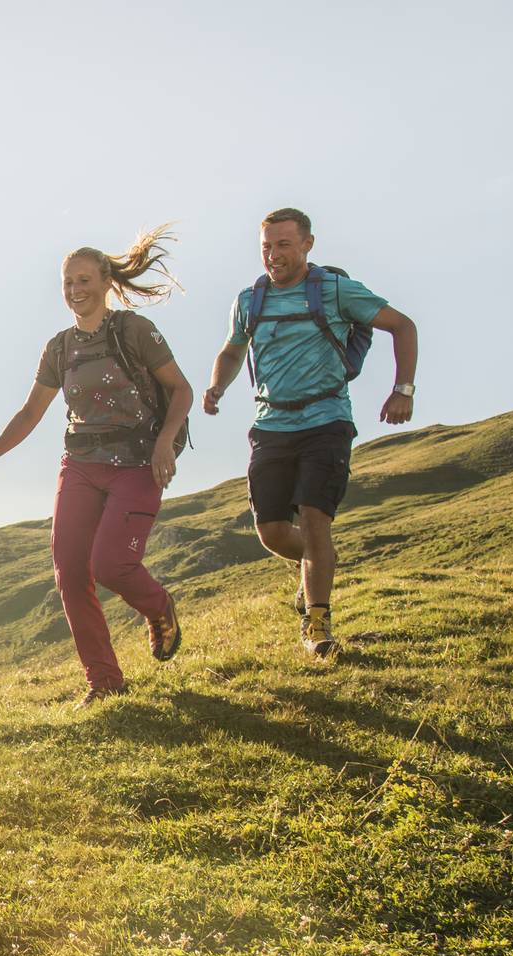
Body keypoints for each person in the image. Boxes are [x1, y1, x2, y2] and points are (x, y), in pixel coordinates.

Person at [0, 228, 193, 707]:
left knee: (111, 565)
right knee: (70, 573)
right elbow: (32, 411)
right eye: (68, 282)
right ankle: (104, 681)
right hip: (80, 464)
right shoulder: (58, 348)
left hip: (138, 463)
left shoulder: (134, 331)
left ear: (106, 281)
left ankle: (159, 607)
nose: (75, 290)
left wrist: (165, 445)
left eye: (84, 279)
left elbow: (181, 390)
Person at [201, 207, 419, 658]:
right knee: (272, 532)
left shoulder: (335, 291)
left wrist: (403, 390)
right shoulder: (249, 301)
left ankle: (317, 623)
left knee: (316, 519)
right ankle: (316, 567)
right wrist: (216, 386)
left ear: (307, 244)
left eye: (283, 244)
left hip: (326, 420)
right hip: (270, 424)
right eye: (266, 247)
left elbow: (402, 325)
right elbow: (232, 349)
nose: (274, 255)